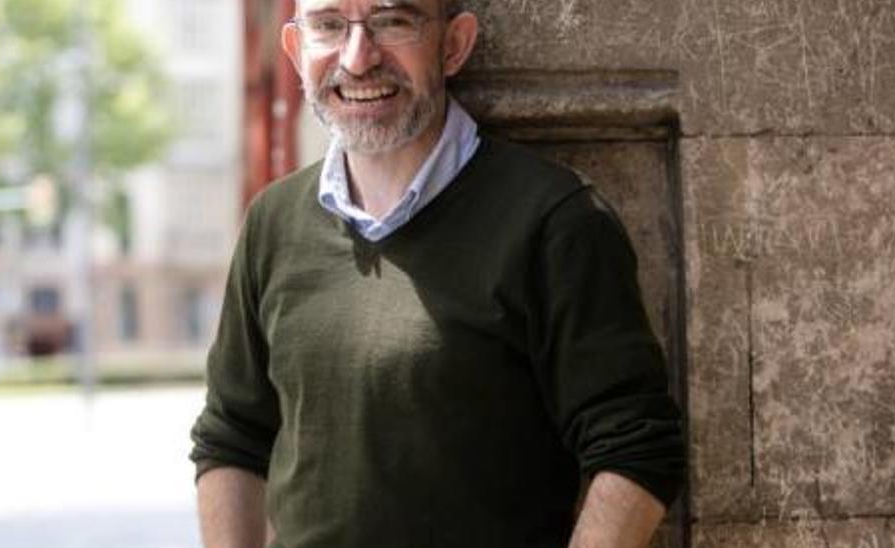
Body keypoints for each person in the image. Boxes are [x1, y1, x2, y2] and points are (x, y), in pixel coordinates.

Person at [189, 0, 686, 546]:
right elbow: (232, 436)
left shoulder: (554, 220)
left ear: (454, 46)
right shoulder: (273, 220)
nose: (357, 59)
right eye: (329, 26)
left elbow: (637, 448)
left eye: (392, 21)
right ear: (296, 48)